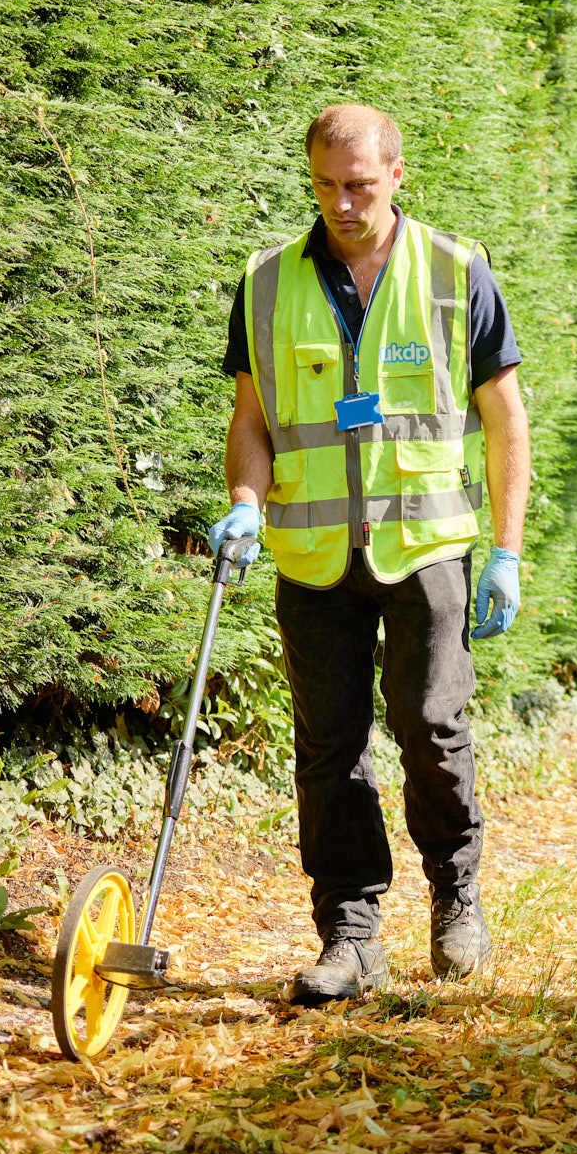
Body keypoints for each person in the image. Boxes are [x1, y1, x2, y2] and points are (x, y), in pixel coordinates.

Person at [207, 103, 531, 1002]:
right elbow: (252, 420)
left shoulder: (456, 270)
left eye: (358, 184)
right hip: (312, 554)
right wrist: (243, 499)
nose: (341, 203)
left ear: (396, 173)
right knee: (328, 746)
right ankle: (349, 935)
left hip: (425, 545)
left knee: (431, 728)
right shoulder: (268, 280)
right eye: (323, 185)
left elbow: (505, 419)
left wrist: (505, 550)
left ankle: (456, 901)